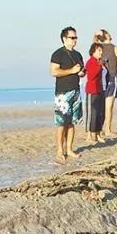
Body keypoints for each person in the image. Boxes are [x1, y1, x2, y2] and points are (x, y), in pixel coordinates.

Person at [49, 27, 84, 164]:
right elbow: (54, 71)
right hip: (63, 92)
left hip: (75, 90)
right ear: (64, 39)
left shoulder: (78, 55)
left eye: (76, 38)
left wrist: (81, 72)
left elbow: (80, 70)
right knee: (61, 122)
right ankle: (59, 150)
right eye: (72, 37)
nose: (75, 40)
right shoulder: (58, 54)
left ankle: (69, 149)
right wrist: (71, 70)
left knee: (72, 122)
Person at [99, 29, 117, 137]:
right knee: (109, 106)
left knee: (101, 105)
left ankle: (100, 129)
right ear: (107, 35)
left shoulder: (98, 48)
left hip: (101, 79)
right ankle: (107, 129)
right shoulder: (116, 48)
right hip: (112, 78)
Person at [84, 42, 106, 142]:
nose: (101, 53)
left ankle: (98, 134)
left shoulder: (98, 62)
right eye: (99, 51)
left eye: (101, 51)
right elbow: (91, 75)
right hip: (91, 91)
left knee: (100, 113)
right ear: (93, 52)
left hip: (100, 90)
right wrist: (99, 65)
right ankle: (89, 135)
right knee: (91, 114)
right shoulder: (91, 62)